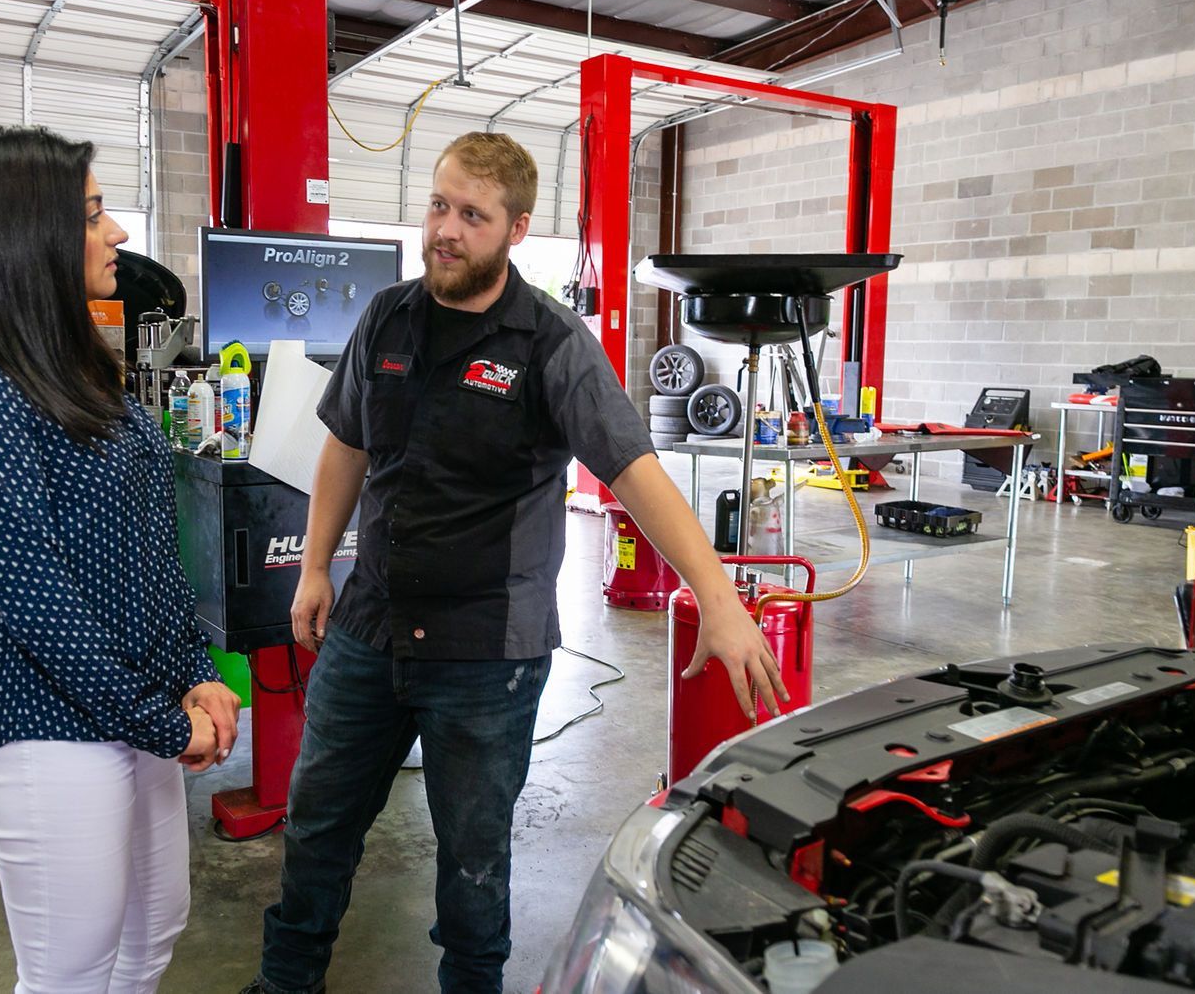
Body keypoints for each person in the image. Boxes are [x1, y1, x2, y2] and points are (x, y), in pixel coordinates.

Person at [243, 132, 788, 994]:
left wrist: (714, 594)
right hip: (370, 627)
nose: (446, 230)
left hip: (486, 653)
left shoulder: (550, 343)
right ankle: (285, 984)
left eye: (471, 215)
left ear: (516, 229)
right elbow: (345, 445)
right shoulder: (385, 317)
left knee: (472, 864)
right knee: (316, 828)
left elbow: (634, 471)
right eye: (438, 204)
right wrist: (316, 566)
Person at [0, 125, 242, 994]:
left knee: (151, 940)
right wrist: (166, 722)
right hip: (43, 724)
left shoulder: (72, 368)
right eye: (91, 214)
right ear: (24, 235)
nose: (116, 232)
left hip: (136, 708)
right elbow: (39, 602)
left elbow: (150, 555)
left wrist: (194, 673)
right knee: (71, 977)